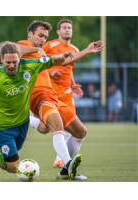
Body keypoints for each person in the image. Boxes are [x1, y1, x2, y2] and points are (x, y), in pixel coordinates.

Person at [0, 41, 75, 178]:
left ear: (19, 58)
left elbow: (51, 60)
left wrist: (62, 57)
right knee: (14, 167)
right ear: (2, 60)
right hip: (4, 128)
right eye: (8, 62)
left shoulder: (30, 66)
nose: (11, 65)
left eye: (15, 62)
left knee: (12, 157)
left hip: (23, 123)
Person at [29, 19, 104, 180]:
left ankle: (65, 168)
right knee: (48, 128)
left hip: (66, 94)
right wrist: (50, 73)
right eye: (64, 27)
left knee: (79, 132)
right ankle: (67, 166)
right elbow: (42, 65)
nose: (67, 30)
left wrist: (73, 84)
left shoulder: (73, 49)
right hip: (50, 93)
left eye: (69, 28)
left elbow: (68, 66)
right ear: (58, 31)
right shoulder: (48, 46)